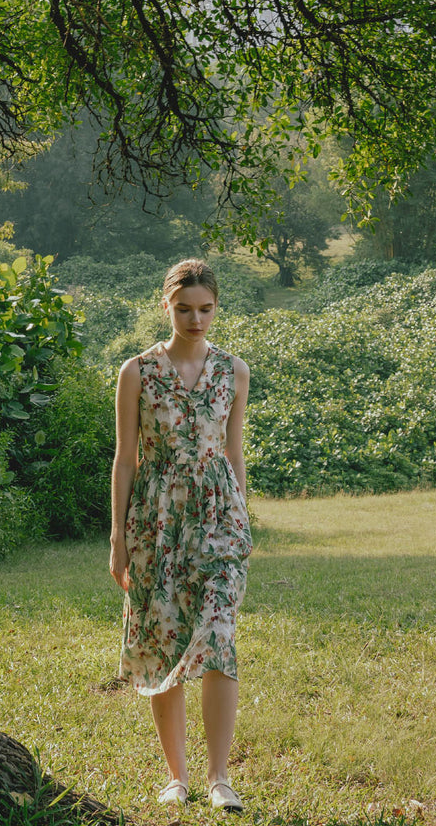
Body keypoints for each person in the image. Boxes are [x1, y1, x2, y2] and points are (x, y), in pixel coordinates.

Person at [109, 258, 252, 812]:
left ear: (217, 308)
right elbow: (125, 459)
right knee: (164, 639)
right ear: (165, 305)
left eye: (206, 309)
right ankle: (177, 777)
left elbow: (234, 453)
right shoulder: (137, 372)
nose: (196, 320)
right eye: (185, 309)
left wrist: (243, 520)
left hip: (220, 519)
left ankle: (220, 778)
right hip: (156, 521)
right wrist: (118, 537)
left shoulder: (234, 371)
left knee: (218, 636)